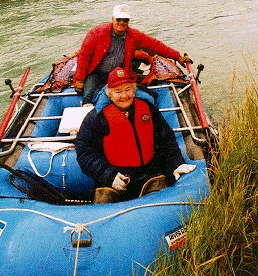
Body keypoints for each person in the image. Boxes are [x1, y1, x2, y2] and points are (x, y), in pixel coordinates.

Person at [75, 67, 196, 202]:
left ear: (134, 90)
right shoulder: (96, 118)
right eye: (118, 91)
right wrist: (108, 175)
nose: (124, 95)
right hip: (116, 178)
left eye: (128, 89)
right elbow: (84, 151)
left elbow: (166, 137)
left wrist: (176, 163)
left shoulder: (147, 108)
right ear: (109, 94)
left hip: (149, 173)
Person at [73, 4, 192, 104]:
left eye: (125, 20)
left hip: (120, 74)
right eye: (118, 19)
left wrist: (178, 57)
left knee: (137, 96)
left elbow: (156, 45)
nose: (121, 22)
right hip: (97, 73)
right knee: (87, 97)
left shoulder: (134, 36)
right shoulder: (96, 33)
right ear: (112, 18)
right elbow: (84, 55)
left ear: (129, 20)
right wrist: (79, 79)